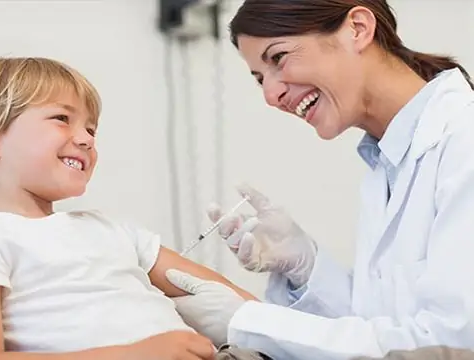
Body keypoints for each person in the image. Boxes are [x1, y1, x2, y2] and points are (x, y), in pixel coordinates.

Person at [164, 0, 474, 359]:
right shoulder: (386, 165)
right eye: (260, 79)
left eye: (277, 58)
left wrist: (246, 320)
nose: (271, 95)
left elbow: (451, 342)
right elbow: (376, 328)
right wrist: (307, 268)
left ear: (357, 28)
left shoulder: (463, 141)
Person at [0, 55, 264, 360]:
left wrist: (278, 326)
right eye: (61, 118)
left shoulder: (111, 229)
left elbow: (241, 306)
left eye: (90, 128)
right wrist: (132, 355)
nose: (86, 139)